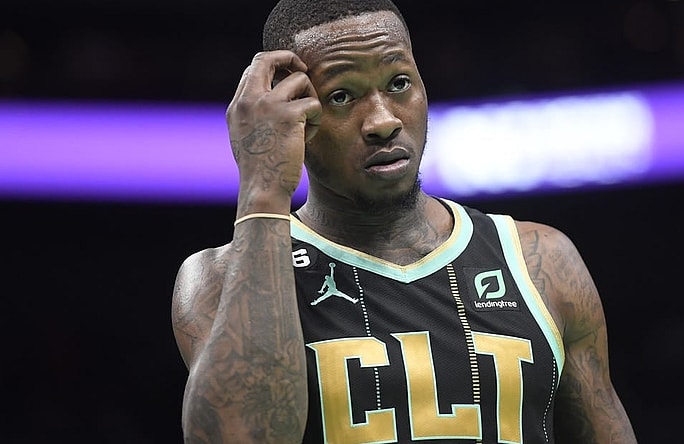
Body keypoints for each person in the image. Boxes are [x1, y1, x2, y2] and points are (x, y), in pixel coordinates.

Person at [171, 0, 638, 442]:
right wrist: (263, 188)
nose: (382, 121)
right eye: (341, 95)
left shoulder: (541, 262)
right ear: (293, 112)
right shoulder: (216, 278)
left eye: (398, 84)